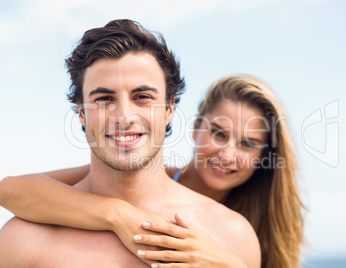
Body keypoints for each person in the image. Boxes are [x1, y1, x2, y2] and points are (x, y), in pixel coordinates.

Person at [0, 19, 262, 268]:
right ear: (81, 111)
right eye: (104, 98)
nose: (124, 117)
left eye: (142, 96)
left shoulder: (231, 238)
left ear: (169, 107)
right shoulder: (22, 241)